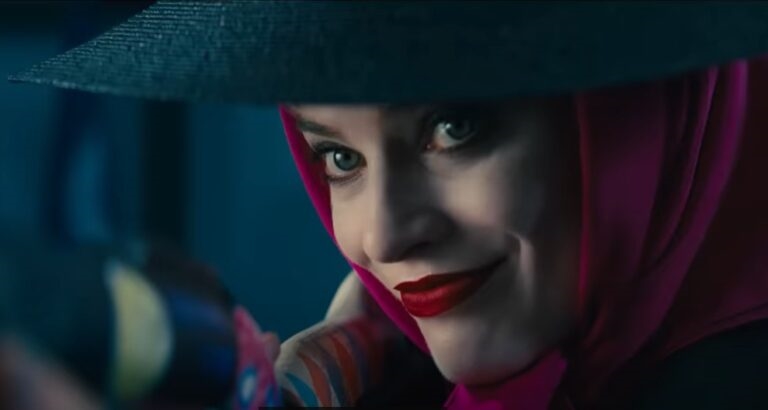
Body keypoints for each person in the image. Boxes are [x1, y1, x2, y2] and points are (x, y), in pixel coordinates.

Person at [7, 2, 768, 409]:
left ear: (637, 119)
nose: (382, 235)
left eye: (454, 128)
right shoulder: (376, 369)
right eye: (339, 158)